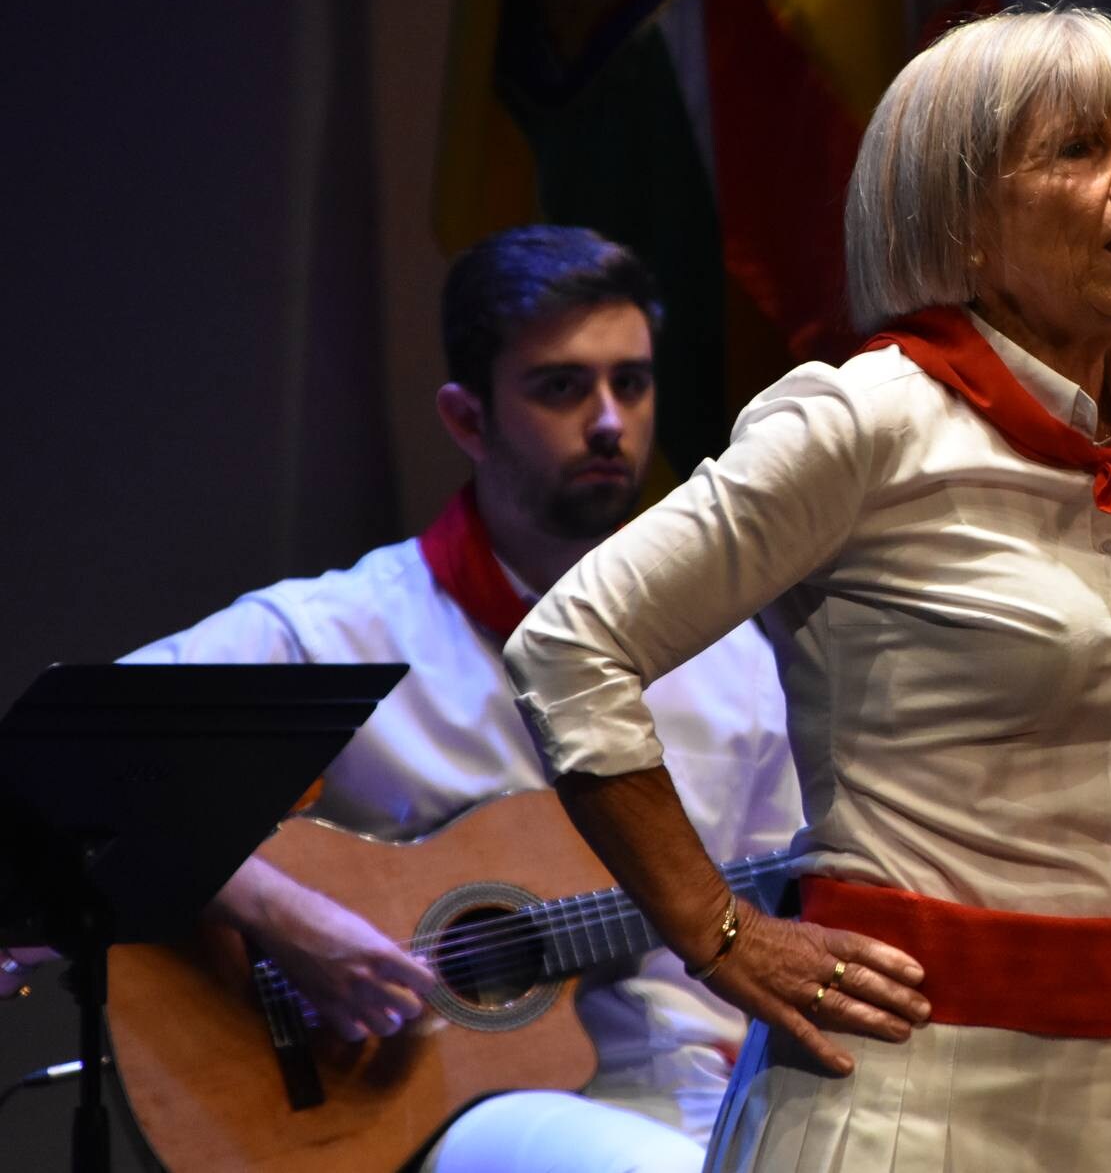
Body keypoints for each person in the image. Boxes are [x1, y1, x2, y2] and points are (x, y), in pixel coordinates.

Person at [505, 7, 1111, 1172]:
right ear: (958, 222)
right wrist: (721, 934)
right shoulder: (866, 420)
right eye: (1079, 149)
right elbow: (570, 648)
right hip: (910, 1082)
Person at [123, 225, 802, 1170]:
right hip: (446, 1104)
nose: (609, 421)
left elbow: (792, 890)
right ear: (467, 419)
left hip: (712, 1079)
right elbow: (85, 769)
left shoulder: (732, 657)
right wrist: (287, 917)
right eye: (562, 386)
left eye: (631, 383)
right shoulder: (342, 629)